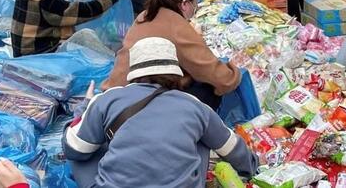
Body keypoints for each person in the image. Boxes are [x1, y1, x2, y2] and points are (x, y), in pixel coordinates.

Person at [64, 37, 257, 188]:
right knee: (202, 137)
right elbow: (232, 148)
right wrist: (253, 167)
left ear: (134, 70)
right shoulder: (194, 105)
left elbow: (73, 149)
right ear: (175, 71)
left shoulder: (108, 99)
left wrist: (84, 108)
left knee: (84, 145)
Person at [104, 0, 241, 108]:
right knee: (208, 89)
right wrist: (236, 71)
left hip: (113, 98)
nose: (196, 6)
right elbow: (224, 80)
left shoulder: (145, 14)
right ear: (185, 3)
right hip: (134, 108)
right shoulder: (176, 26)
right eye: (195, 2)